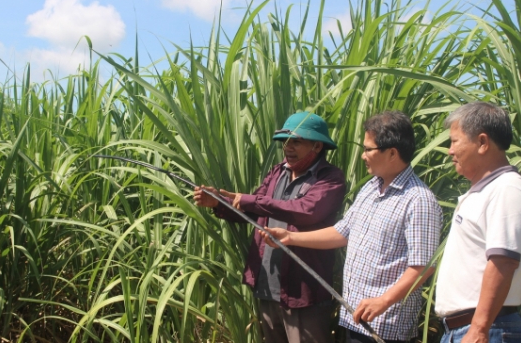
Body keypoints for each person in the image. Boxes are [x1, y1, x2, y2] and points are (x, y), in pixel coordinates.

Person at [261, 111, 442, 342]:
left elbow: (423, 266)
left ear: (392, 153)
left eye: (368, 149)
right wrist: (290, 237)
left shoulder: (418, 200)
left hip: (384, 327)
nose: (363, 155)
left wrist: (383, 301)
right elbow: (342, 231)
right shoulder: (370, 189)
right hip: (355, 318)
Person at [194, 112, 346, 343]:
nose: (288, 147)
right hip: (267, 284)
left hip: (303, 291)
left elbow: (305, 211)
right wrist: (219, 202)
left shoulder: (330, 178)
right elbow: (256, 210)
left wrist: (246, 199)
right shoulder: (278, 172)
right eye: (285, 142)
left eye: (296, 141)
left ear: (317, 146)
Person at [435, 102, 521, 343]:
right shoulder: (484, 191)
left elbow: (503, 262)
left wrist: (479, 328)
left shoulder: (506, 188)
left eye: (454, 141)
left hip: (487, 328)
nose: (450, 150)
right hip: (467, 329)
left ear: (482, 143)